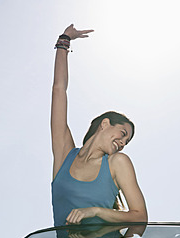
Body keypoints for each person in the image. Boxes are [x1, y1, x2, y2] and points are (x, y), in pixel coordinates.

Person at [51, 24, 148, 226]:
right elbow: (59, 90)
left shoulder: (117, 163)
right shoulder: (64, 155)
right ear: (105, 124)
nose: (122, 143)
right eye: (122, 134)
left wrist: (96, 211)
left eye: (126, 142)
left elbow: (140, 216)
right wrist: (64, 41)